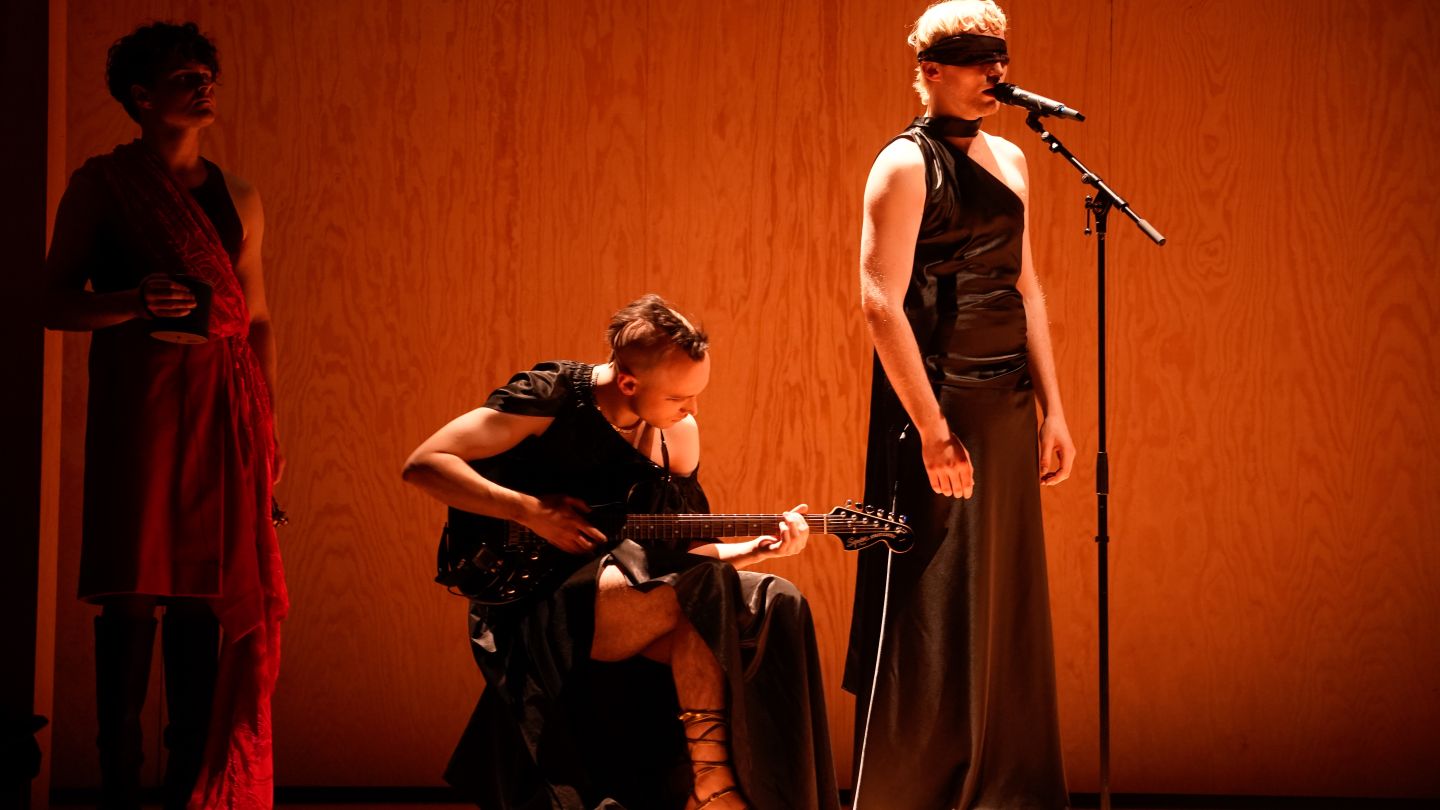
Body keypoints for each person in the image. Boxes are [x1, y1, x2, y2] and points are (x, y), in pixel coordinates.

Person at [403, 295, 839, 810]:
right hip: (539, 599)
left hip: (634, 593)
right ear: (629, 382)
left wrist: (756, 551)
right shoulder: (556, 397)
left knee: (776, 598)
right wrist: (530, 512)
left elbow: (683, 552)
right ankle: (713, 786)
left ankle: (786, 797)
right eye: (680, 397)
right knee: (702, 585)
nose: (692, 409)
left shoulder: (677, 434)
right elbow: (425, 463)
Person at [41, 21, 286, 810]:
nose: (206, 86)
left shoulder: (239, 195)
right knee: (132, 591)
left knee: (199, 594)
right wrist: (131, 301)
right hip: (138, 408)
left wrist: (269, 435)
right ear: (142, 98)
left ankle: (191, 788)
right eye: (187, 77)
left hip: (223, 406)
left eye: (208, 73)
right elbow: (50, 303)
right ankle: (119, 781)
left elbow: (256, 320)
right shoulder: (102, 186)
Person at [842, 2, 1075, 808]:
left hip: (1007, 401)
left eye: (998, 60)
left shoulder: (1013, 159)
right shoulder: (902, 166)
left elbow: (1025, 282)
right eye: (975, 60)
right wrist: (935, 432)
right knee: (931, 596)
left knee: (1003, 592)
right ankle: (910, 791)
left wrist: (1055, 410)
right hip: (938, 400)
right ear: (930, 69)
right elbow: (880, 302)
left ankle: (1008, 788)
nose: (993, 76)